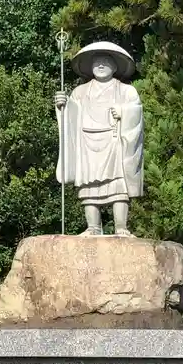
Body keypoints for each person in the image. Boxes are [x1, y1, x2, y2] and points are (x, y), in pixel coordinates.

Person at [55, 41, 144, 236]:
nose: (101, 65)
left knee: (118, 184)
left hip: (115, 141)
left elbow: (136, 112)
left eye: (105, 61)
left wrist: (122, 111)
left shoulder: (127, 91)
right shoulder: (80, 92)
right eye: (96, 62)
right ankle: (93, 227)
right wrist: (62, 105)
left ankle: (121, 227)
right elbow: (71, 115)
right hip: (87, 141)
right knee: (89, 186)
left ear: (114, 66)